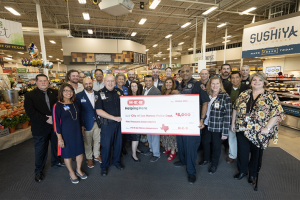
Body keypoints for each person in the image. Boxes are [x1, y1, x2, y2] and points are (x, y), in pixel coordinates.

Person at [232, 72, 285, 184]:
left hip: (260, 131)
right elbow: (235, 108)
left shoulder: (270, 95)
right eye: (254, 80)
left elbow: (277, 113)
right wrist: (233, 123)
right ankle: (242, 171)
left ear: (264, 82)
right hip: (242, 128)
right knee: (242, 152)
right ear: (251, 82)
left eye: (260, 80)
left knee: (256, 154)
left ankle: (252, 174)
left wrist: (267, 128)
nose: (256, 82)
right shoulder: (244, 94)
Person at [24, 74, 65, 183]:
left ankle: (56, 161)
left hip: (55, 126)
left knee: (56, 145)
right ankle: (38, 171)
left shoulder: (55, 93)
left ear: (48, 82)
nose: (43, 82)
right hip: (40, 127)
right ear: (36, 82)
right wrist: (46, 119)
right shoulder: (29, 95)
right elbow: (30, 112)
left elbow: (60, 106)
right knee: (40, 150)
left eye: (45, 80)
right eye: (40, 81)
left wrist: (55, 118)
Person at [174, 65, 209, 184]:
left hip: (193, 122)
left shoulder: (198, 85)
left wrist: (202, 119)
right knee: (181, 143)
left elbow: (205, 102)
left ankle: (191, 172)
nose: (184, 73)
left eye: (187, 71)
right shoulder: (179, 85)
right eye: (182, 71)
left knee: (191, 147)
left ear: (191, 72)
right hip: (180, 120)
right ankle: (183, 161)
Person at [53, 83, 86, 184]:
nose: (68, 93)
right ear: (61, 92)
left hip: (77, 132)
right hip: (65, 134)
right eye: (66, 90)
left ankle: (78, 169)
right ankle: (71, 172)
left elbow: (80, 118)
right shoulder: (57, 105)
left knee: (80, 152)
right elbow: (56, 123)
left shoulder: (76, 103)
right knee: (67, 154)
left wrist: (82, 128)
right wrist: (60, 138)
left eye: (70, 91)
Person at [199, 77, 231, 174]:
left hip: (218, 126)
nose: (215, 86)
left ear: (220, 84)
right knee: (205, 142)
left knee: (216, 146)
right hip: (207, 124)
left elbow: (228, 115)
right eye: (213, 83)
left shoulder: (225, 96)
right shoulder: (207, 95)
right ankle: (206, 159)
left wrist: (225, 132)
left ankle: (214, 164)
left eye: (217, 83)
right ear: (210, 84)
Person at [95, 74, 124, 177]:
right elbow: (98, 111)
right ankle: (104, 166)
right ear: (104, 82)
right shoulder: (99, 94)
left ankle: (116, 162)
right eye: (108, 81)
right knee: (106, 146)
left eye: (112, 81)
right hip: (107, 125)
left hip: (119, 124)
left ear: (115, 82)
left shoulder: (119, 92)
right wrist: (114, 118)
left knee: (118, 145)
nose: (110, 83)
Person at [224, 71, 250, 164]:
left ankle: (243, 154)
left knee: (243, 137)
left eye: (237, 77)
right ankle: (232, 155)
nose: (235, 80)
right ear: (230, 80)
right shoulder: (226, 88)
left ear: (240, 78)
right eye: (233, 78)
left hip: (243, 116)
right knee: (232, 135)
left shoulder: (247, 89)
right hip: (230, 115)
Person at [76, 77, 102, 169]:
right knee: (87, 142)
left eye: (90, 83)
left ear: (92, 83)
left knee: (97, 140)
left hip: (97, 122)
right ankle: (89, 158)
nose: (88, 85)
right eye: (86, 84)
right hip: (86, 123)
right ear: (83, 84)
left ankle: (97, 155)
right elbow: (78, 112)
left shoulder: (98, 94)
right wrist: (81, 125)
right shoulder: (78, 96)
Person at [142, 75, 161, 162]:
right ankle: (151, 150)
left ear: (153, 82)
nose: (148, 82)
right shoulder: (144, 90)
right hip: (146, 116)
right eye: (146, 81)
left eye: (149, 80)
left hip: (154, 116)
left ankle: (156, 154)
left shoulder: (156, 91)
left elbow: (157, 105)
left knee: (155, 136)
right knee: (149, 134)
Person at [160, 77, 180, 161]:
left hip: (173, 117)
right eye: (166, 82)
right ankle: (167, 147)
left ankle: (173, 151)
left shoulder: (175, 92)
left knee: (172, 135)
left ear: (173, 84)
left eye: (170, 82)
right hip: (164, 116)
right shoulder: (163, 93)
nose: (168, 84)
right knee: (165, 134)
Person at [128, 81, 144, 162]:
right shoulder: (127, 97)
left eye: (135, 86)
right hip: (132, 120)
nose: (134, 87)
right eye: (132, 86)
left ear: (138, 87)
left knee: (137, 136)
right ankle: (133, 154)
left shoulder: (140, 96)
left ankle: (136, 148)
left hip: (139, 119)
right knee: (135, 136)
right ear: (130, 87)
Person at [115, 73, 129, 155]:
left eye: (122, 79)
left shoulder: (126, 89)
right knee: (117, 132)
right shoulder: (113, 88)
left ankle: (123, 147)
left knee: (124, 132)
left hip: (125, 113)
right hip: (116, 113)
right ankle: (117, 148)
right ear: (116, 80)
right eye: (119, 79)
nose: (121, 80)